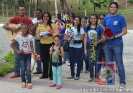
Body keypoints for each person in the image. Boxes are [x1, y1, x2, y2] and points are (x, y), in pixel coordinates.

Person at [3, 5, 33, 78]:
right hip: (16, 40)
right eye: (20, 10)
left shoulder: (28, 20)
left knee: (26, 57)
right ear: (18, 11)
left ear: (25, 11)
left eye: (23, 10)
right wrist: (12, 28)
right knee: (17, 57)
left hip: (26, 41)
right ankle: (16, 72)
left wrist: (33, 28)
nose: (21, 11)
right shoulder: (14, 19)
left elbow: (32, 29)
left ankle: (26, 73)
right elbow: (4, 26)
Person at [103, 2, 127, 89]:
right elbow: (104, 30)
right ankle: (110, 80)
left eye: (114, 7)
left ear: (116, 8)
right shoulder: (106, 18)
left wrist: (114, 37)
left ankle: (122, 82)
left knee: (119, 63)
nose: (113, 8)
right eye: (111, 7)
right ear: (109, 8)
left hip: (117, 44)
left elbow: (125, 31)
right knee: (109, 63)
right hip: (107, 45)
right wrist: (105, 36)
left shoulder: (121, 18)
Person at [10, 23, 35, 89]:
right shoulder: (18, 37)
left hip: (28, 55)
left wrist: (34, 54)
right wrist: (17, 51)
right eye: (23, 28)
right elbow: (11, 45)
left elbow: (32, 46)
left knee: (28, 69)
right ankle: (23, 81)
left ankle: (29, 82)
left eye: (25, 28)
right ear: (21, 29)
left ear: (28, 29)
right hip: (22, 55)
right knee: (23, 69)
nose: (24, 29)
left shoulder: (30, 37)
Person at [37, 12, 57, 80]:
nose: (45, 18)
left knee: (50, 59)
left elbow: (56, 33)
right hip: (42, 43)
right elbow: (37, 34)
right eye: (44, 16)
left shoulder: (52, 24)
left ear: (49, 17)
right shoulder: (40, 25)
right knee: (44, 60)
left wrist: (52, 35)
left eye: (47, 16)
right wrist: (40, 35)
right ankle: (44, 74)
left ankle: (51, 74)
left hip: (50, 43)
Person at [84, 13, 104, 82]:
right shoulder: (87, 27)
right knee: (90, 61)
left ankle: (96, 76)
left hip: (97, 46)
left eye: (94, 18)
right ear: (89, 19)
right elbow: (85, 38)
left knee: (96, 61)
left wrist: (97, 42)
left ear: (96, 19)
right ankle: (91, 76)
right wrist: (85, 49)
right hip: (89, 46)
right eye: (91, 18)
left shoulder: (99, 27)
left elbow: (104, 38)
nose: (93, 20)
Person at [66, 16, 85, 80]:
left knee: (78, 61)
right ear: (73, 21)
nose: (76, 21)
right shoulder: (70, 28)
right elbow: (66, 36)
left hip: (78, 47)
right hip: (71, 47)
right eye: (75, 20)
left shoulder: (81, 29)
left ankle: (78, 74)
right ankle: (72, 74)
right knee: (71, 61)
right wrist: (68, 39)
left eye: (78, 20)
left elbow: (82, 39)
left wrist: (75, 41)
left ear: (79, 22)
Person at [32, 9, 43, 74]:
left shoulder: (44, 20)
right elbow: (32, 32)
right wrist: (34, 27)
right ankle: (39, 69)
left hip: (45, 40)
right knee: (38, 55)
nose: (37, 14)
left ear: (41, 13)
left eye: (38, 13)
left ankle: (46, 69)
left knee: (45, 54)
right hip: (37, 40)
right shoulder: (33, 21)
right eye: (36, 13)